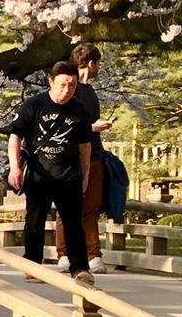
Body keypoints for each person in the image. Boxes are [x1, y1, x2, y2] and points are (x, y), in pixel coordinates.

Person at [8, 62, 95, 288]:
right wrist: (15, 167)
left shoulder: (79, 109)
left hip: (69, 175)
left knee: (74, 223)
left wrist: (85, 174)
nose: (67, 90)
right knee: (34, 222)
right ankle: (33, 264)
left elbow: (85, 145)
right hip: (39, 175)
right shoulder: (34, 105)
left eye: (72, 85)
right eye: (63, 85)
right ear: (51, 82)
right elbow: (15, 136)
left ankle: (80, 268)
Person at [56, 43, 110, 272]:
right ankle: (65, 253)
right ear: (91, 63)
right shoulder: (71, 89)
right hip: (70, 155)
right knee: (67, 206)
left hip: (94, 153)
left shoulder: (89, 90)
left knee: (91, 205)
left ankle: (92, 253)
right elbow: (62, 122)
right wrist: (93, 127)